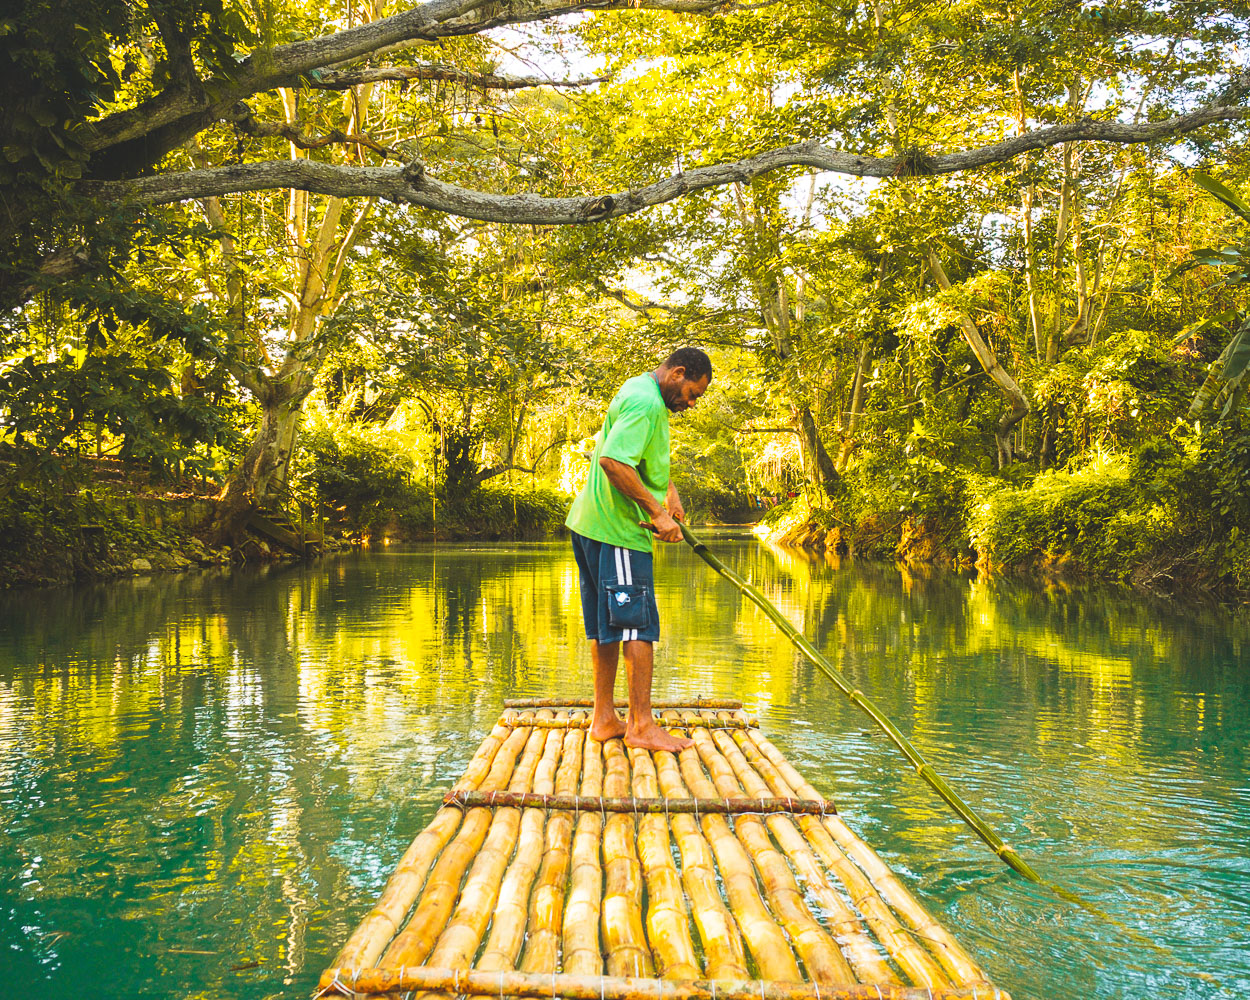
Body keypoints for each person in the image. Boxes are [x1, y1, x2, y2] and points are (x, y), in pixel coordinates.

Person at [565, 347, 713, 752]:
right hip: (618, 531)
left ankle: (604, 719)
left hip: (591, 526)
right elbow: (613, 461)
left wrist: (668, 492)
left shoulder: (638, 389)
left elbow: (637, 456)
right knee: (637, 626)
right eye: (692, 393)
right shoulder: (648, 404)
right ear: (678, 373)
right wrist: (656, 514)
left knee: (605, 627)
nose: (692, 402)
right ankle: (641, 726)